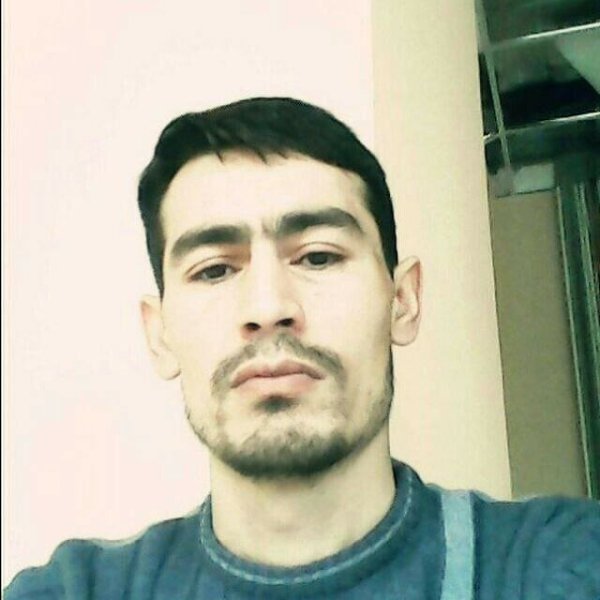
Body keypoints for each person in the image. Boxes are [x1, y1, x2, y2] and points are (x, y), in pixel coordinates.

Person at [6, 97, 600, 600]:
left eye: (318, 257)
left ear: (402, 300)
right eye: (215, 270)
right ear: (159, 334)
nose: (269, 307)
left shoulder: (568, 563)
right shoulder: (74, 591)